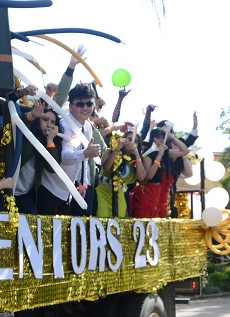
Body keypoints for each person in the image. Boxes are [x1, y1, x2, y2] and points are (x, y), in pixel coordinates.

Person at [38, 83, 104, 215]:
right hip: (49, 187)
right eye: (80, 104)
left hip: (69, 191)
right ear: (71, 106)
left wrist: (83, 183)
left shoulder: (88, 127)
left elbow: (84, 160)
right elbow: (65, 157)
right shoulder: (62, 124)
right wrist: (85, 153)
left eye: (89, 104)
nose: (85, 108)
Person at [14, 98, 59, 213]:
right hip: (5, 189)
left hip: (24, 194)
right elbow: (20, 122)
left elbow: (52, 168)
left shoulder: (49, 143)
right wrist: (33, 115)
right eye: (45, 120)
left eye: (53, 122)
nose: (49, 125)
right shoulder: (28, 133)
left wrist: (50, 140)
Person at [96, 128, 147, 218]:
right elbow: (106, 167)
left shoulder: (135, 160)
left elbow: (141, 177)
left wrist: (137, 155)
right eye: (129, 139)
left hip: (119, 196)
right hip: (102, 193)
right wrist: (117, 149)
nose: (132, 143)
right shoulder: (110, 151)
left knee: (119, 220)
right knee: (102, 219)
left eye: (135, 141)